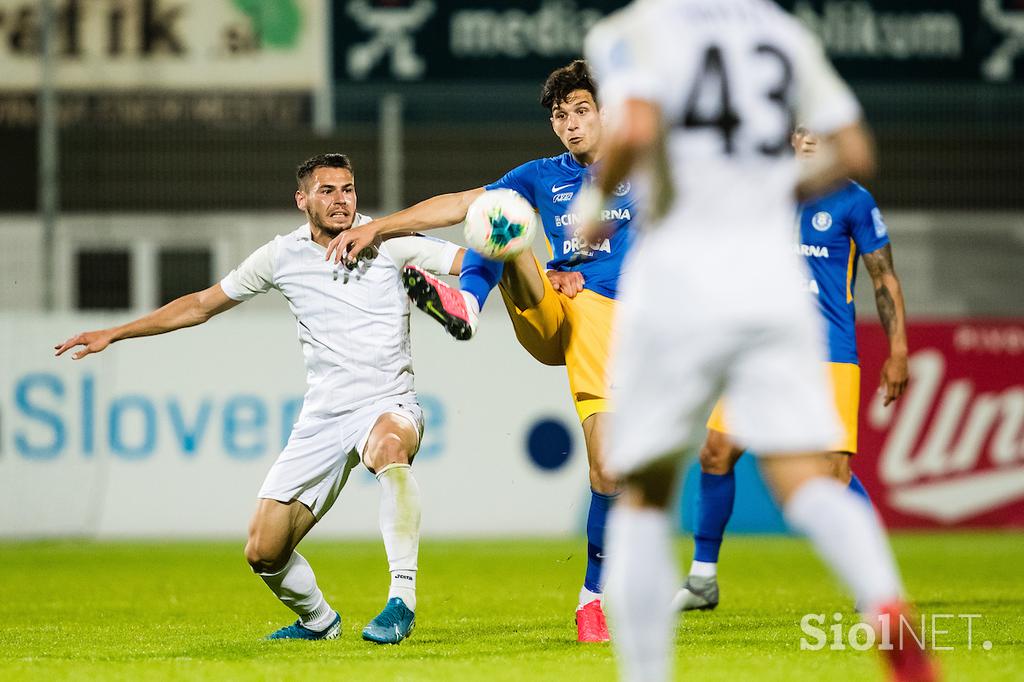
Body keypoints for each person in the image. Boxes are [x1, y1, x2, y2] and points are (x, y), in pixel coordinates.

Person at [579, 1, 937, 680]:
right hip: (771, 283)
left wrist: (596, 206)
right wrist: (763, 185)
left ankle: (646, 672)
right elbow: (857, 150)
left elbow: (640, 122)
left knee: (645, 494)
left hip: (680, 271)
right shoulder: (781, 31)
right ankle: (886, 609)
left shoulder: (634, 29)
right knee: (807, 479)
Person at [54, 153, 464, 645]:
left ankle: (402, 599)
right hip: (323, 416)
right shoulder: (281, 256)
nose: (341, 200)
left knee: (389, 450)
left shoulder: (390, 240)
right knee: (263, 550)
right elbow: (203, 304)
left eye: (349, 189)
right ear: (302, 199)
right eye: (328, 190)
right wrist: (115, 333)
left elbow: (470, 262)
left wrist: (541, 272)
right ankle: (319, 622)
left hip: (388, 402)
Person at [322, 60, 635, 643]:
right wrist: (380, 228)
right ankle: (467, 302)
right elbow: (462, 202)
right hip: (550, 308)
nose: (569, 125)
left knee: (608, 470)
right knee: (499, 212)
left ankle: (591, 601)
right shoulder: (545, 175)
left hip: (612, 325)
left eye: (581, 111)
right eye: (559, 116)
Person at [675, 126, 910, 612]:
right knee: (716, 451)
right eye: (798, 130)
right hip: (762, 351)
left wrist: (899, 350)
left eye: (816, 131)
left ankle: (880, 587)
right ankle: (702, 580)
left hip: (828, 353)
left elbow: (882, 276)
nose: (806, 139)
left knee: (833, 475)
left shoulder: (853, 200)